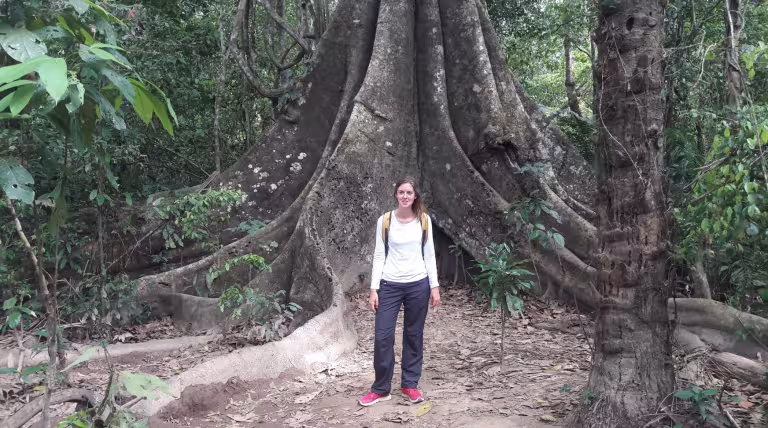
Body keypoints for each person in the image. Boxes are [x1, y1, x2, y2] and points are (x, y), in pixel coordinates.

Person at [358, 178, 441, 407]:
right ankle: (380, 389)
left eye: (409, 193)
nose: (405, 196)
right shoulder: (385, 220)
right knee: (383, 336)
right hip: (389, 285)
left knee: (414, 335)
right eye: (401, 192)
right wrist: (374, 289)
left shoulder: (424, 220)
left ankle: (410, 384)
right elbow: (378, 255)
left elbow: (429, 254)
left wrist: (434, 286)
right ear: (396, 194)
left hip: (418, 284)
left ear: (415, 196)